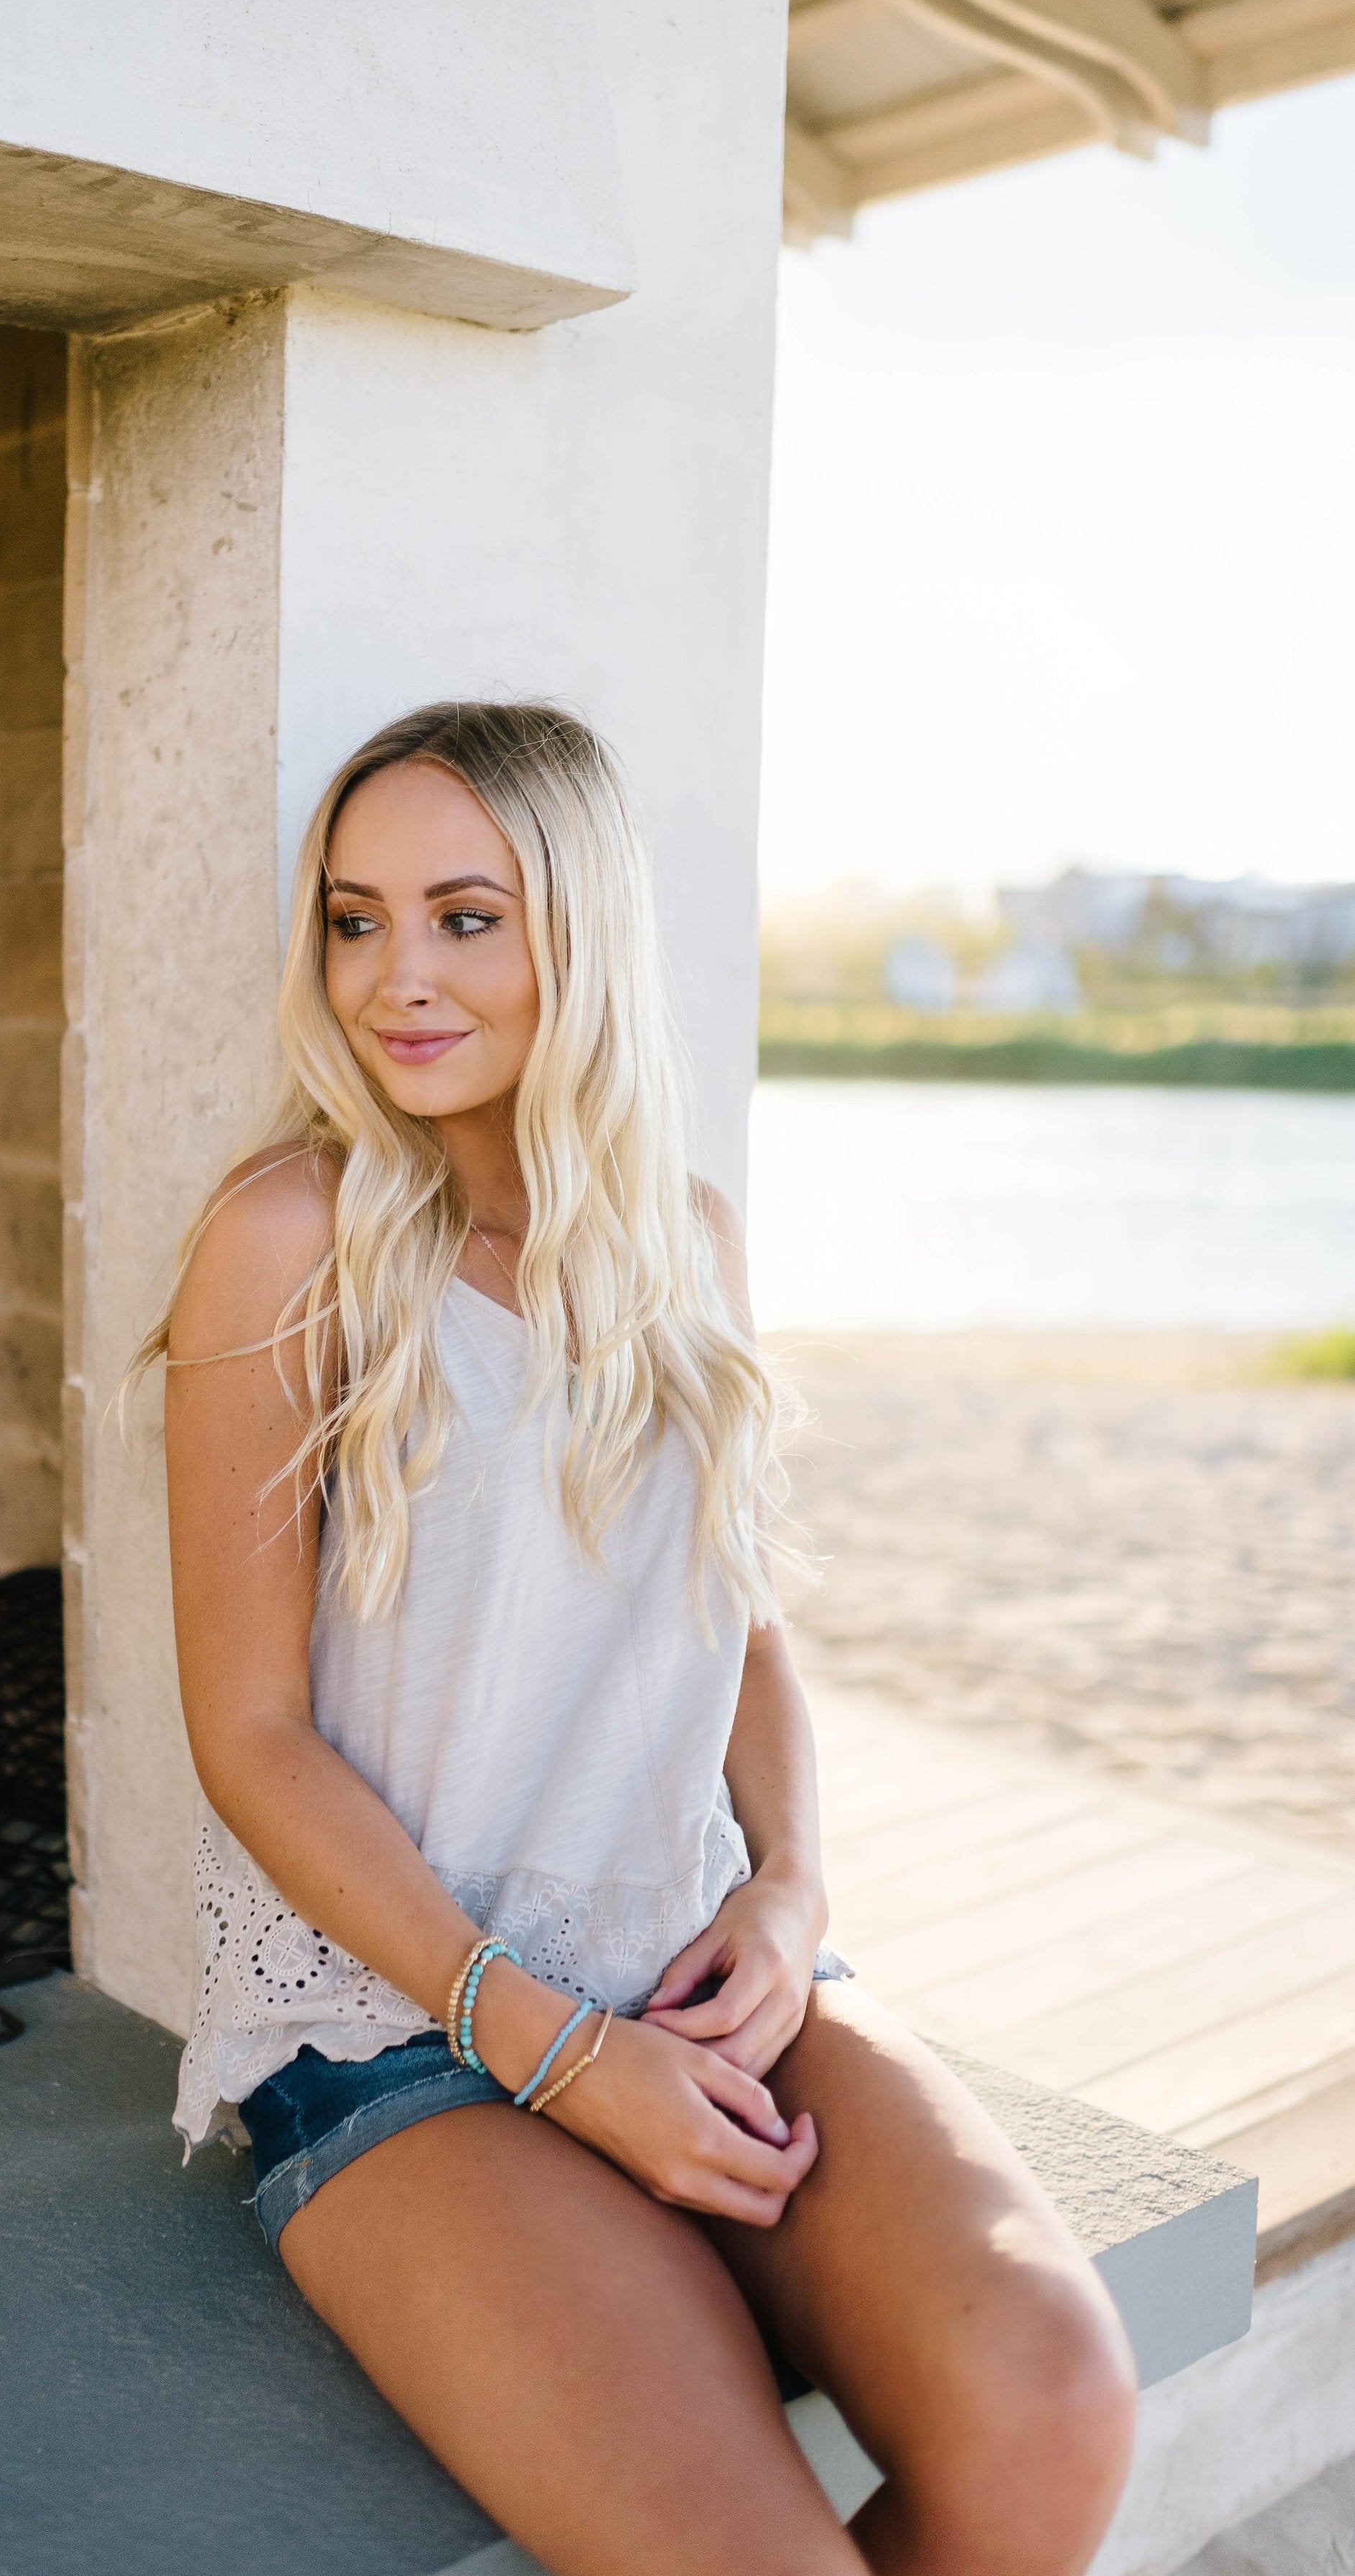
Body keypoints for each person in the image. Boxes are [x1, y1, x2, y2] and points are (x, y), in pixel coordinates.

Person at [148, 702, 1136, 2575]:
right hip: (393, 2030)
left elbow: (733, 1621)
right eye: (353, 921)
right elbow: (248, 1733)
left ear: (577, 934)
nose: (393, 981)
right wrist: (549, 2051)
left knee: (1054, 2409)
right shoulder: (294, 1237)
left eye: (465, 916)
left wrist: (793, 1894)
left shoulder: (679, 1237)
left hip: (683, 1958)